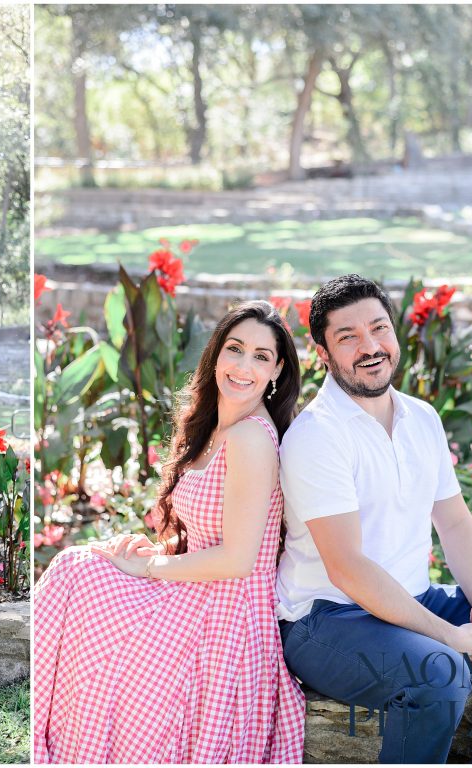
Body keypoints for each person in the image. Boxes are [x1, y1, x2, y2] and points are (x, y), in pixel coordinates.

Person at [275, 274, 472, 764]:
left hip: (410, 598)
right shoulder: (318, 435)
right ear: (324, 353)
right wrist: (451, 635)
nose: (370, 346)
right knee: (439, 673)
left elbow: (456, 524)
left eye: (379, 328)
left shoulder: (422, 418)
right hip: (327, 619)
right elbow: (347, 568)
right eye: (348, 337)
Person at [33, 301, 307, 763]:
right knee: (77, 569)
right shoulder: (218, 428)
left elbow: (239, 560)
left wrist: (148, 567)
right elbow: (206, 533)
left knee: (83, 586)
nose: (243, 366)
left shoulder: (251, 439)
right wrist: (155, 551)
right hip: (195, 586)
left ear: (278, 369)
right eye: (235, 349)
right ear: (216, 354)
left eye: (261, 356)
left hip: (226, 611)